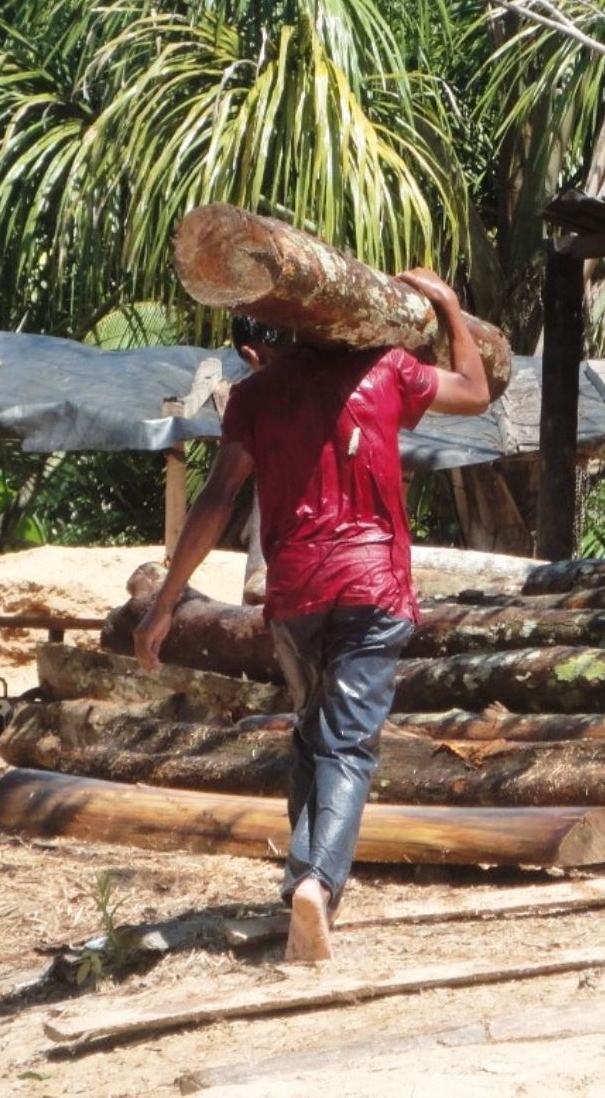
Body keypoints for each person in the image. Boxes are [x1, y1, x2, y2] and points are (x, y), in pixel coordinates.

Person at [134, 269, 491, 962]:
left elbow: (215, 500)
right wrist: (450, 307)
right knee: (349, 743)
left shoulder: (256, 396)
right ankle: (317, 884)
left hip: (295, 593)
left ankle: (303, 875)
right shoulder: (386, 370)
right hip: (373, 585)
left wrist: (166, 602)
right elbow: (476, 391)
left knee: (312, 731)